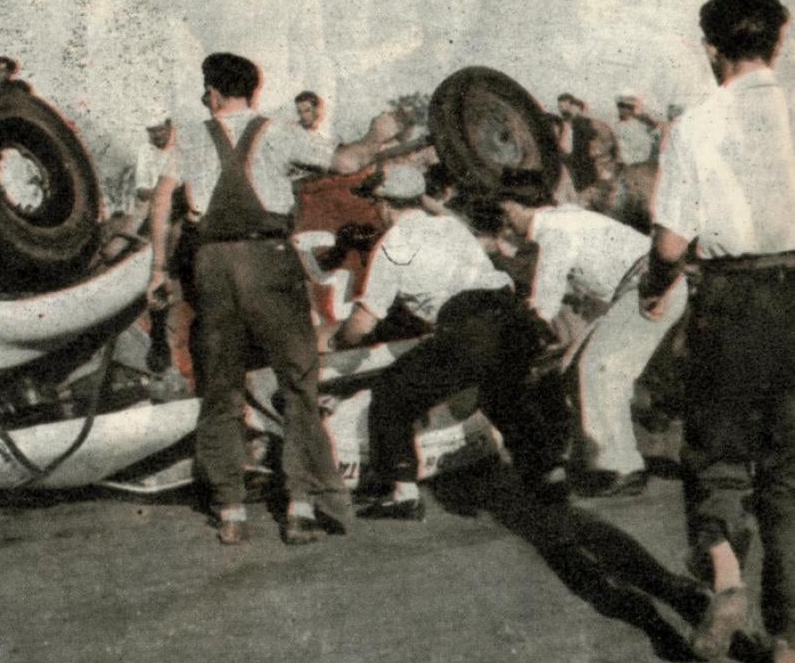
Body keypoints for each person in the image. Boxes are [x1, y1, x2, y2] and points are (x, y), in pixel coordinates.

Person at [147, 52, 386, 545]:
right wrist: (377, 137)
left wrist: (157, 268)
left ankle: (231, 510)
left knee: (219, 388)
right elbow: (345, 161)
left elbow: (160, 200)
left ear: (212, 93)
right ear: (253, 93)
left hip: (212, 266)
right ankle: (300, 506)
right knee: (299, 383)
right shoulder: (277, 131)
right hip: (268, 260)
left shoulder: (188, 137)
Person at [640, 0, 795, 663]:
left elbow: (671, 243)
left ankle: (727, 578)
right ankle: (789, 645)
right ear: (781, 40)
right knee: (790, 472)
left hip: (735, 299)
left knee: (715, 453)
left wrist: (654, 286)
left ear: (710, 49)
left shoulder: (696, 123)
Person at [326, 164, 554, 519]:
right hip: (512, 316)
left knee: (391, 392)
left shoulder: (393, 244)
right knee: (501, 394)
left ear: (384, 206)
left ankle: (403, 494)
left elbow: (364, 320)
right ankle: (549, 475)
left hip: (468, 326)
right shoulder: (450, 225)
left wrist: (339, 343)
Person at [497, 168, 685, 497]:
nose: (506, 222)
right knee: (573, 368)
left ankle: (622, 467)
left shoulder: (552, 230)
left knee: (599, 368)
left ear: (513, 207)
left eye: (505, 213)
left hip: (649, 285)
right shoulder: (562, 216)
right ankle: (594, 458)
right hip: (642, 286)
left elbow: (545, 302)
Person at [612, 92, 659, 167]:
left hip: (636, 162)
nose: (622, 110)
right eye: (620, 106)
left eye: (627, 107)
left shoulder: (639, 126)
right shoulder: (615, 126)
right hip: (622, 160)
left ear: (631, 109)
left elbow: (644, 152)